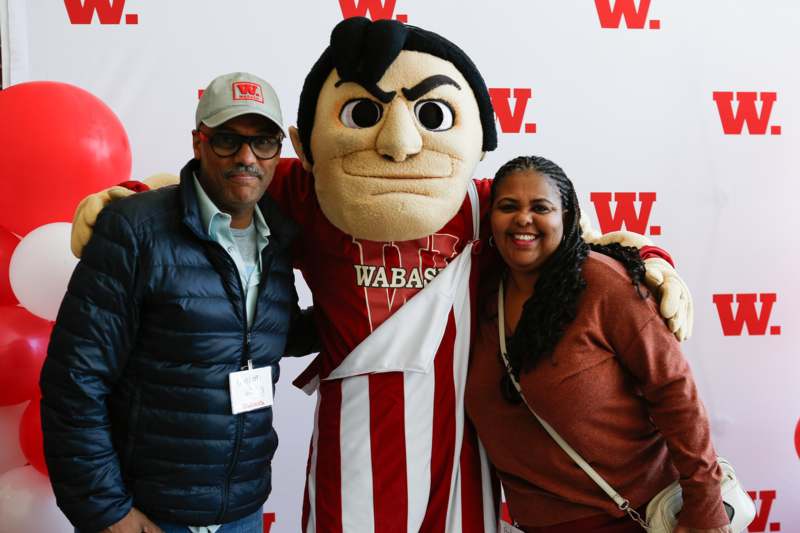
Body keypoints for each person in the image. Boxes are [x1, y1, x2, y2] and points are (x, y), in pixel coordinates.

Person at [67, 19, 694, 532]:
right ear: (307, 142)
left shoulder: (483, 203)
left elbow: (579, 241)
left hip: (459, 444)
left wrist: (655, 263)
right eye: (365, 115)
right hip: (351, 444)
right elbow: (211, 184)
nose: (397, 142)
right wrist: (127, 195)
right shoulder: (309, 189)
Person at [41, 72, 317, 533]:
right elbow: (75, 382)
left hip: (241, 513)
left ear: (278, 151)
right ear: (198, 142)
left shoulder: (277, 236)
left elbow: (272, 336)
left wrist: (366, 314)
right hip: (148, 514)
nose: (247, 157)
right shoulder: (134, 229)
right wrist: (108, 513)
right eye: (228, 139)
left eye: (263, 142)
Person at [465, 155, 732, 533]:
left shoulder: (603, 283)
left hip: (633, 517)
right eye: (508, 207)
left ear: (568, 216)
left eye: (541, 207)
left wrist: (705, 506)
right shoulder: (482, 290)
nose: (523, 218)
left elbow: (674, 392)